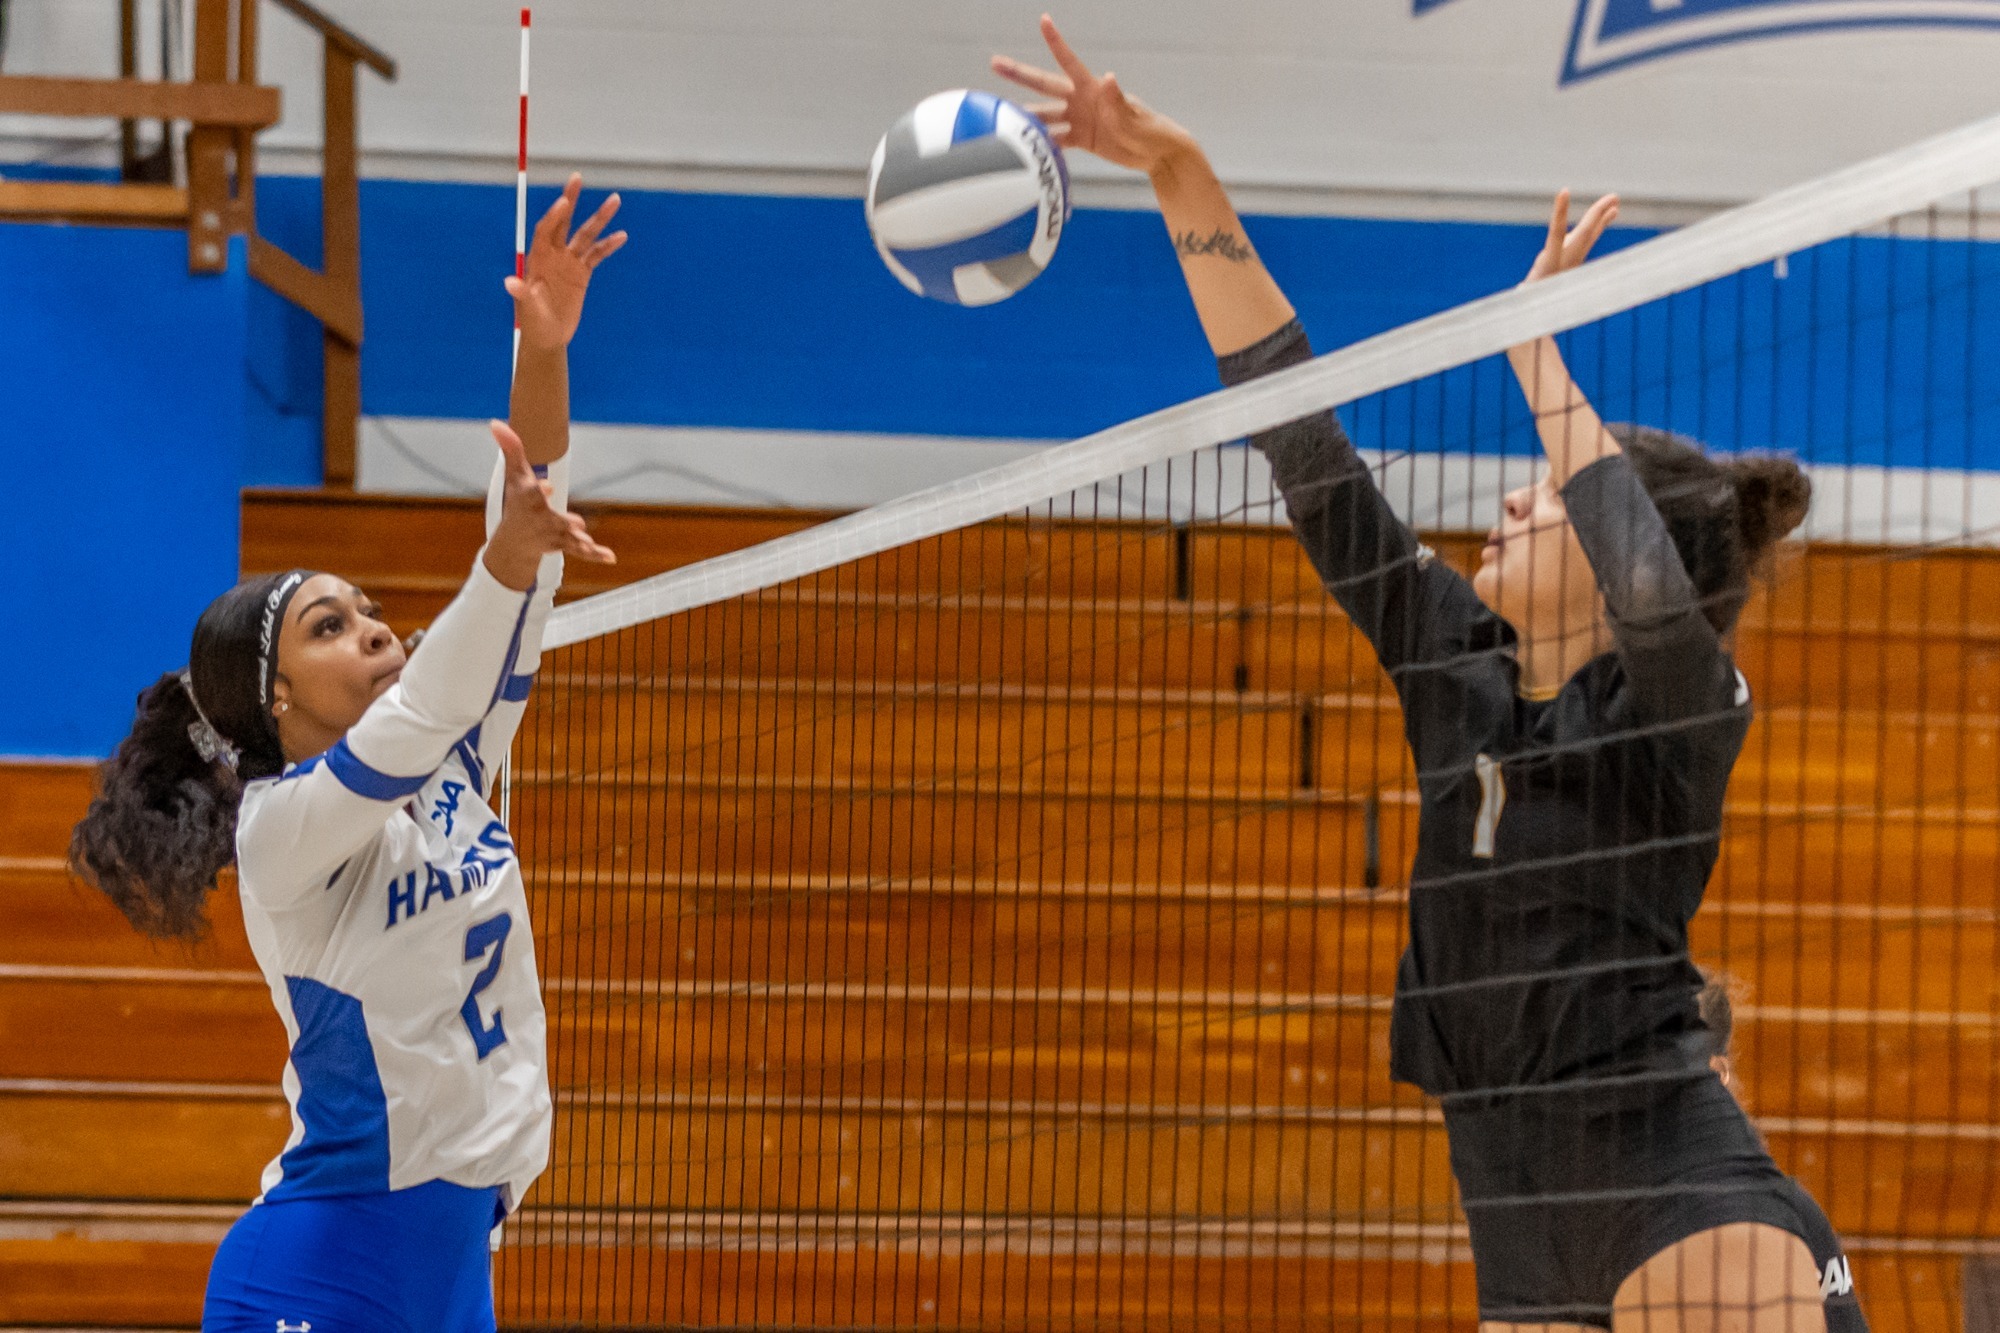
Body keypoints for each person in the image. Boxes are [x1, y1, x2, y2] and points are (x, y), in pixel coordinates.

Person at [994, 18, 1864, 1332]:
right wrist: (1178, 173)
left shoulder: (1679, 709)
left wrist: (1534, 346)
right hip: (1511, 1204)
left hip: (1675, 1193)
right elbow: (1304, 450)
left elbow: (1644, 580)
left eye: (1545, 496)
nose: (1509, 504)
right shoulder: (1452, 666)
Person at [68, 174, 625, 1333]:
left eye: (368, 608)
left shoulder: (458, 761)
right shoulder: (280, 831)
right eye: (329, 625)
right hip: (323, 1265)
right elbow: (438, 682)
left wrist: (544, 349)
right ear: (274, 696)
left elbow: (526, 532)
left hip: (453, 1265)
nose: (371, 626)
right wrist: (508, 561)